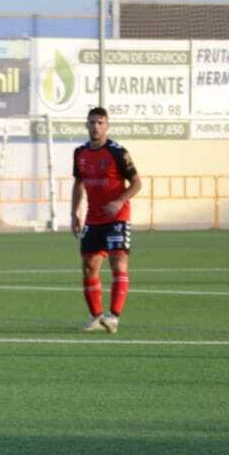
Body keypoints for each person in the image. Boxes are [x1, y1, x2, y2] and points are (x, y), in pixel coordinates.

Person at [71, 106, 141, 333]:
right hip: (93, 219)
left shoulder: (117, 152)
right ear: (87, 125)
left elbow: (137, 183)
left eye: (100, 123)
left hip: (117, 217)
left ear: (107, 126)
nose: (96, 127)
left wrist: (119, 201)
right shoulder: (80, 153)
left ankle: (114, 317)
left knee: (118, 263)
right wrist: (74, 212)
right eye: (92, 122)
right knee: (89, 267)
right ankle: (96, 317)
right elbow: (78, 183)